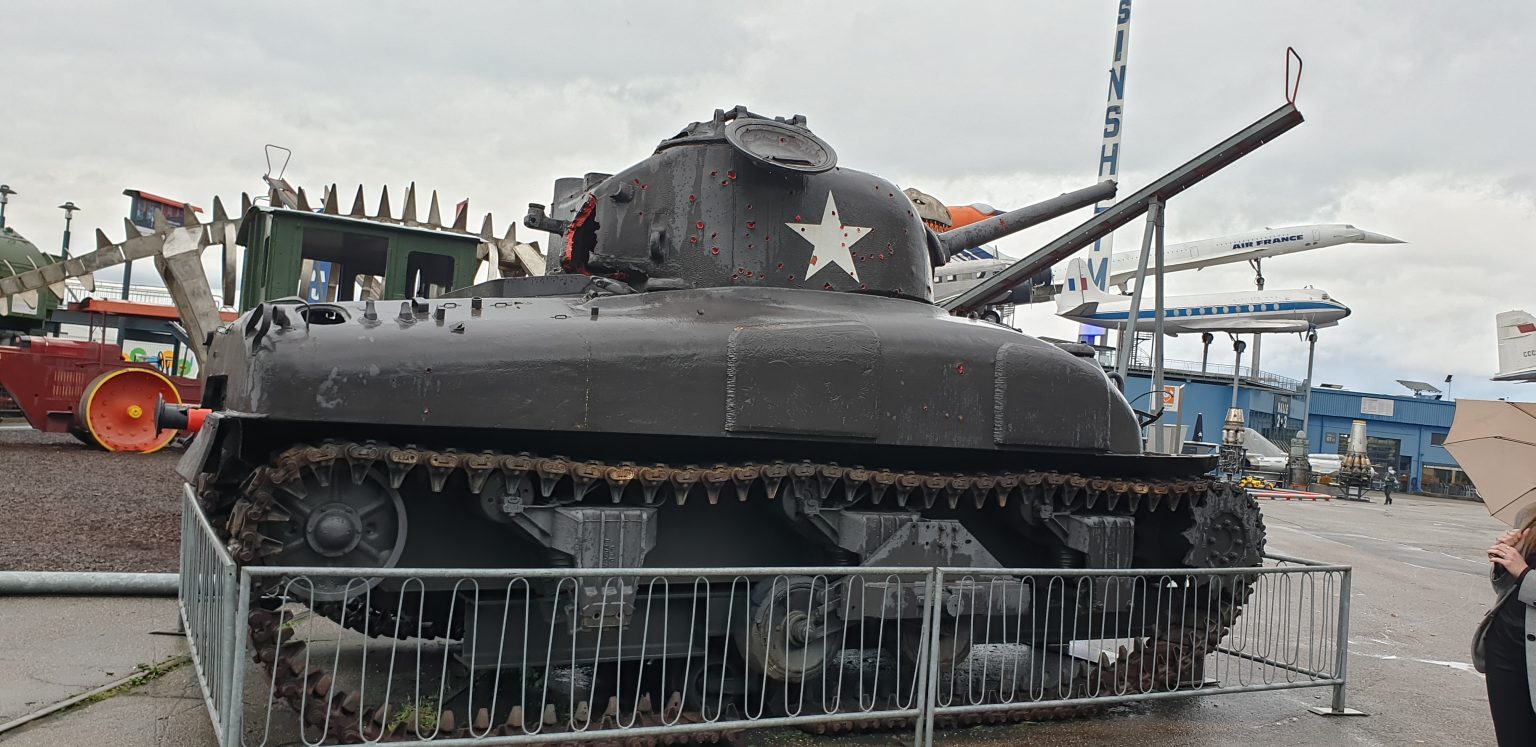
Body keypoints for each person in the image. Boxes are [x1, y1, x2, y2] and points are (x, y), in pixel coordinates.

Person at [1473, 506, 1536, 745]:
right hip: (1506, 647)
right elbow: (1507, 589)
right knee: (1513, 737)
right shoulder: (1529, 516)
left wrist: (1524, 572)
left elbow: (1524, 576)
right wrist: (1504, 561)